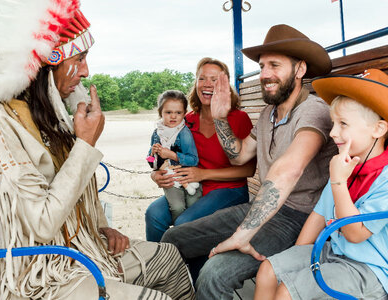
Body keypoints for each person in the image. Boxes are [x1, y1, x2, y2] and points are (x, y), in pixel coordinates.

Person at [0, 1, 194, 299]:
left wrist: (100, 226)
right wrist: (84, 144)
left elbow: (78, 191)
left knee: (170, 259)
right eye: (80, 57)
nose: (86, 71)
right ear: (48, 60)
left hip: (79, 250)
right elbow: (41, 225)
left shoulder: (50, 114)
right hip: (37, 275)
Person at [161, 24, 337, 299]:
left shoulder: (314, 112)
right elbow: (240, 154)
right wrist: (220, 119)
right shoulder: (269, 113)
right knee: (173, 239)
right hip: (260, 207)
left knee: (214, 274)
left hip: (298, 219)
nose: (264, 74)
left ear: (300, 69)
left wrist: (243, 234)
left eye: (274, 65)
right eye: (262, 65)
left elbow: (290, 169)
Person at [254, 69, 388, 300]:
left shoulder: (382, 177)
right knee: (269, 271)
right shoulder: (346, 165)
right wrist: (296, 259)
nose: (333, 132)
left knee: (289, 292)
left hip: (369, 270)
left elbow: (355, 233)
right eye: (334, 123)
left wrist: (338, 180)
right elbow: (318, 215)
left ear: (378, 129)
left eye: (343, 123)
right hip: (334, 252)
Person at [146, 57, 256, 244]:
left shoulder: (239, 118)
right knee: (154, 214)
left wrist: (202, 174)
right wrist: (156, 175)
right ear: (195, 82)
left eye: (215, 80)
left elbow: (248, 170)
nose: (207, 85)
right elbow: (164, 155)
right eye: (202, 78)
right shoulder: (185, 121)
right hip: (194, 187)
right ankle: (160, 267)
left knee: (184, 223)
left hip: (229, 189)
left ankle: (183, 268)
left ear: (225, 86)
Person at [147, 90, 202, 222]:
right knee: (177, 207)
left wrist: (171, 155)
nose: (173, 117)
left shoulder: (184, 133)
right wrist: (152, 154)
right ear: (161, 112)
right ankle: (179, 233)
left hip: (188, 177)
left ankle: (190, 233)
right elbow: (151, 163)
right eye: (168, 112)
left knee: (193, 206)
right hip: (170, 178)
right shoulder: (157, 133)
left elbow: (193, 160)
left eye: (178, 113)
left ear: (184, 113)